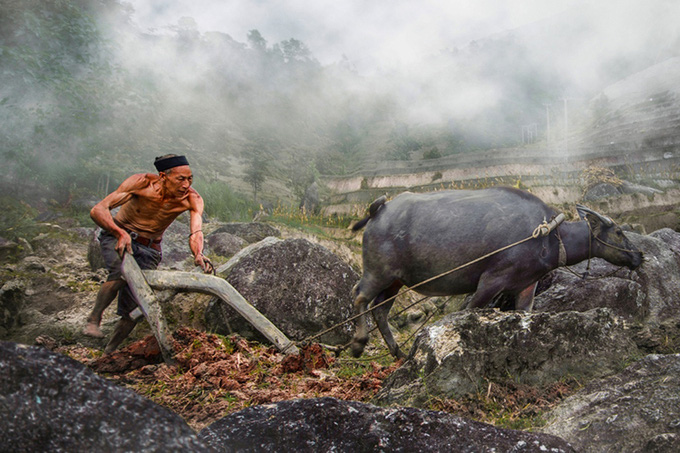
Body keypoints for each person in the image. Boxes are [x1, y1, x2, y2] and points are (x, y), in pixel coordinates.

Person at [83, 154, 214, 353]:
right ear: (163, 176)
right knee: (121, 273)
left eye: (190, 179)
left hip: (149, 248)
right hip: (118, 235)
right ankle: (94, 319)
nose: (186, 184)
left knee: (136, 306)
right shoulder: (141, 183)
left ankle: (109, 351)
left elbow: (196, 230)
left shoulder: (192, 199)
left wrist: (198, 253)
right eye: (180, 179)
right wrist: (120, 233)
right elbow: (98, 210)